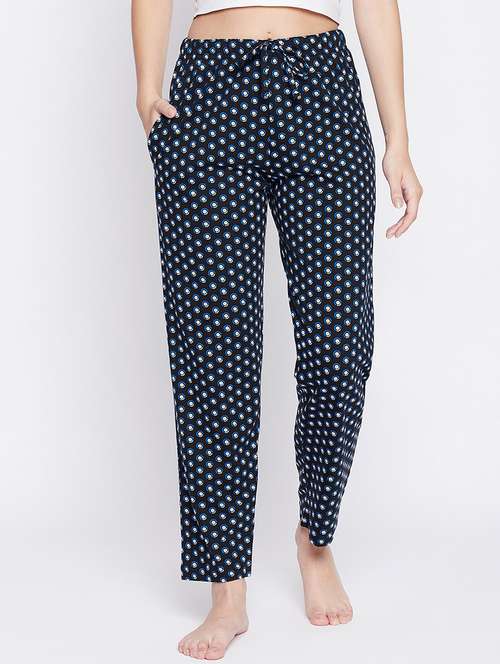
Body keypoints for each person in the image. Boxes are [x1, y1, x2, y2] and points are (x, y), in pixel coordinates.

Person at [132, 0, 422, 659]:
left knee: (339, 345)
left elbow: (375, 4)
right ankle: (226, 589)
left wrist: (398, 138)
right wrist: (146, 88)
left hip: (321, 87)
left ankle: (315, 540)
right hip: (210, 88)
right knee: (213, 351)